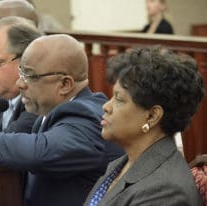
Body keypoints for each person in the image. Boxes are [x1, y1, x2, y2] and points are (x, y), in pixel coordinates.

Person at [0, 34, 124, 206]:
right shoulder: (51, 114)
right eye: (20, 73)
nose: (20, 83)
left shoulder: (88, 118)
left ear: (65, 84)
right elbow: (12, 142)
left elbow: (39, 151)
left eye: (29, 76)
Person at [84, 46, 204, 205]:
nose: (106, 106)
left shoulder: (165, 191)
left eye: (119, 99)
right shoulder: (121, 163)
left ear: (152, 116)